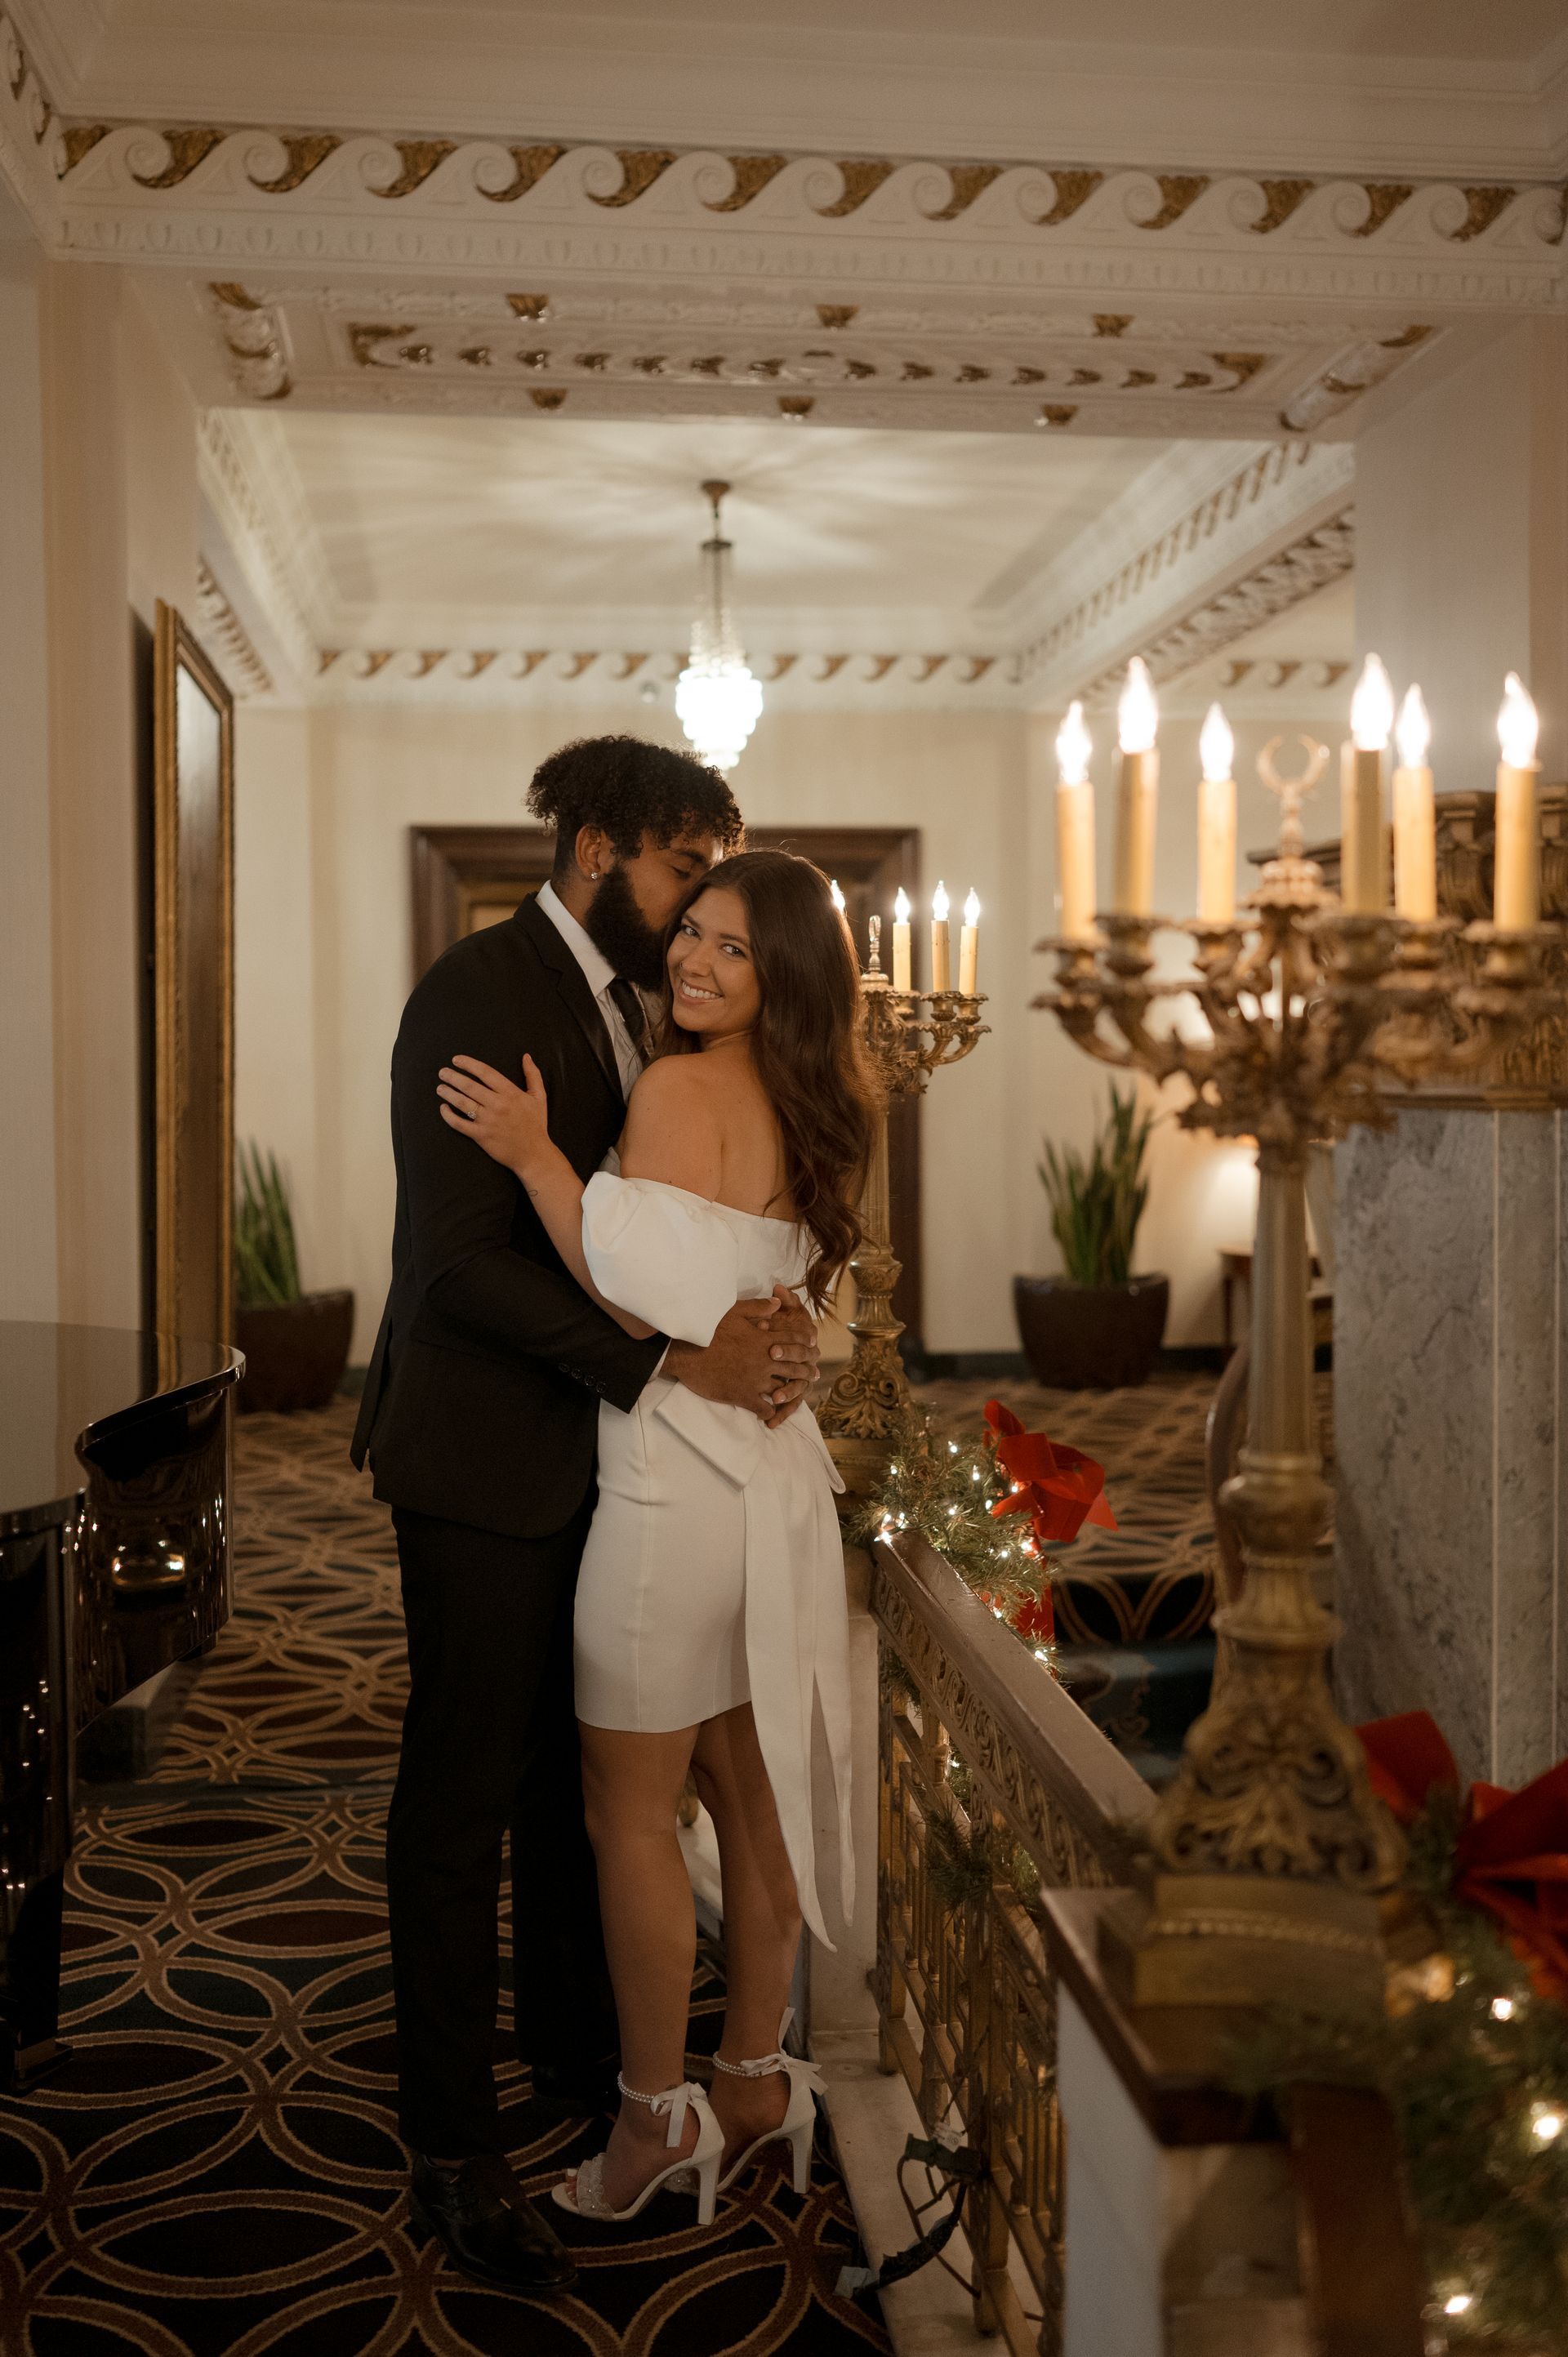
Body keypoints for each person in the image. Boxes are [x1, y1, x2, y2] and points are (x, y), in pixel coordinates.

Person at [350, 740, 822, 2292]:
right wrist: (671, 1359)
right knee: (463, 1799)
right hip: (487, 1464)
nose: (692, 917)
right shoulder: (476, 993)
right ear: (602, 849)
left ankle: (581, 2059)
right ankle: (451, 2139)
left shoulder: (652, 1013)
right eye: (684, 875)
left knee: (583, 1790)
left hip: (615, 1464)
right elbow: (456, 1269)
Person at [435, 847, 880, 2226]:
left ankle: (650, 2117)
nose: (694, 958)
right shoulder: (817, 1105)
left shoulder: (681, 1089)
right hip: (769, 1486)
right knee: (750, 1790)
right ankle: (751, 2079)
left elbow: (630, 1303)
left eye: (735, 947)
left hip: (671, 1488)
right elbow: (776, 1299)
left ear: (784, 975)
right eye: (694, 929)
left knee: (626, 1809)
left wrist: (536, 1156)